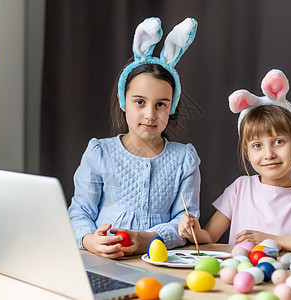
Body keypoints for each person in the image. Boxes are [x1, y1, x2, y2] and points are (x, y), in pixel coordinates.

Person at [178, 69, 291, 255]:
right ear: (246, 152)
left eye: (279, 142)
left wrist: (274, 240)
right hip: (245, 283)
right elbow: (209, 236)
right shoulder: (240, 189)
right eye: (257, 145)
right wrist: (194, 232)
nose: (269, 154)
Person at [69, 17, 200, 259]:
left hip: (160, 261)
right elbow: (80, 211)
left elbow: (185, 222)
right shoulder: (100, 153)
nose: (150, 115)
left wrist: (147, 240)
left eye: (161, 104)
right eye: (139, 102)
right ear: (123, 101)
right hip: (102, 261)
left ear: (171, 107)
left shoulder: (184, 159)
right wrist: (90, 241)